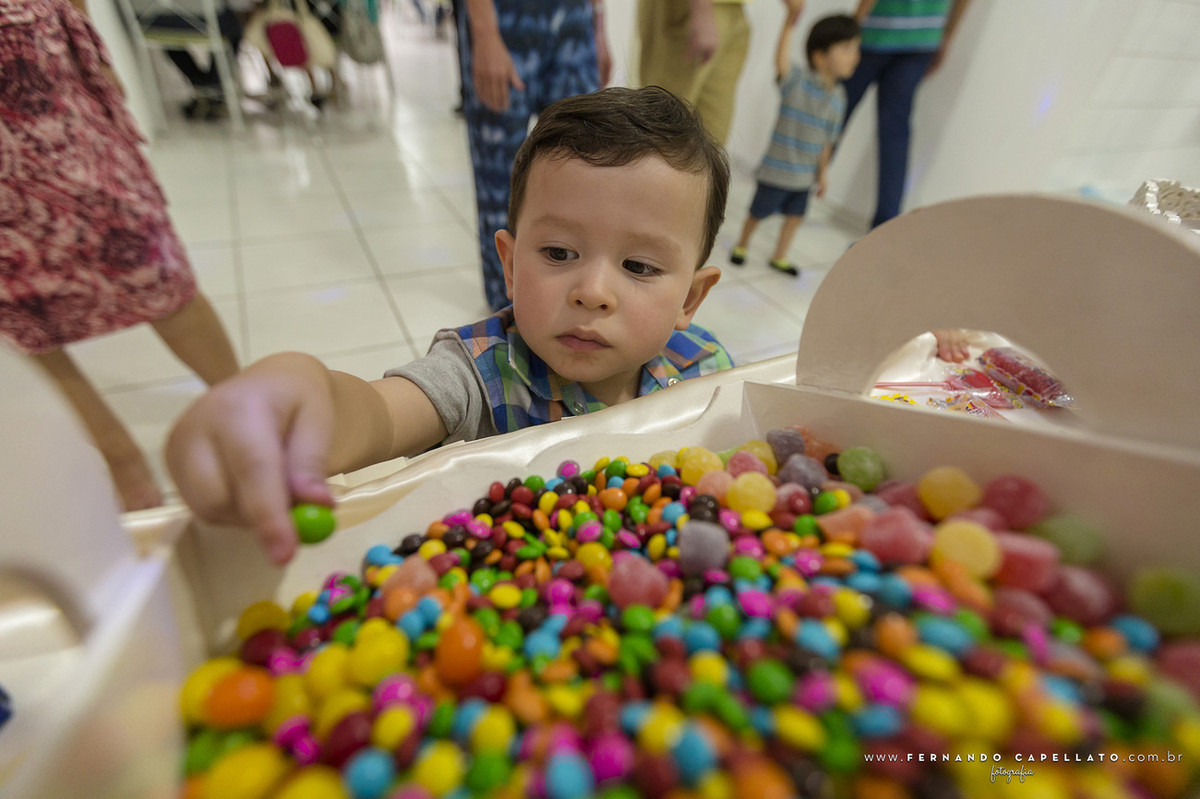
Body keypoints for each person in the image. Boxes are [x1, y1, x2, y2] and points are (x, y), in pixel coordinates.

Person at [166, 87, 733, 564]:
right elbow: (380, 414)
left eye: (638, 266)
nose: (593, 292)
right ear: (510, 266)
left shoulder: (707, 372)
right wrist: (305, 396)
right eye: (559, 253)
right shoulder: (479, 373)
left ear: (690, 297)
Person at [0, 0, 241, 511]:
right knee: (17, 314)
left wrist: (88, 42)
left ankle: (245, 410)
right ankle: (119, 461)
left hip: (35, 74)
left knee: (153, 266)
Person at [461, 0, 613, 311]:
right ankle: (506, 308)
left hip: (575, 17)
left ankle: (576, 296)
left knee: (585, 171)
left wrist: (598, 25)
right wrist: (485, 31)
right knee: (499, 183)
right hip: (503, 15)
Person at [728, 14, 861, 277]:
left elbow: (828, 140)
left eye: (856, 49)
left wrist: (822, 173)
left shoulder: (839, 98)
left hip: (804, 177)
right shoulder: (797, 82)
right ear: (820, 56)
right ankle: (742, 244)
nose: (855, 56)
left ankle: (780, 255)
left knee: (795, 217)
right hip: (777, 171)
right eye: (846, 49)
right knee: (758, 211)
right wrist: (789, 22)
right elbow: (781, 62)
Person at [840, 0, 971, 229]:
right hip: (923, 35)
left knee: (832, 114)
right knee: (895, 132)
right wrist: (946, 35)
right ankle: (886, 229)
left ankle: (789, 197)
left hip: (877, 28)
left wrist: (851, 27)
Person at [637, 0, 805, 146]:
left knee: (711, 141)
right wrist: (701, 8)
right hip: (693, 8)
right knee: (663, 126)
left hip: (735, 9)